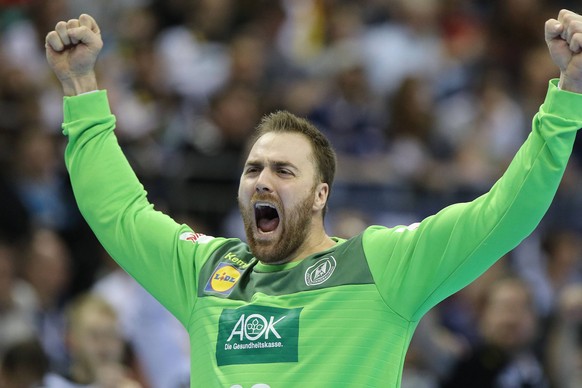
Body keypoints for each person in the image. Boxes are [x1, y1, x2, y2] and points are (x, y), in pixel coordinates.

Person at [44, 10, 582, 387]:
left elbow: (502, 214)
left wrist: (567, 98)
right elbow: (118, 213)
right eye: (253, 168)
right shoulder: (206, 271)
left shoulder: (380, 265)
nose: (262, 180)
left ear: (321, 194)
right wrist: (81, 85)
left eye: (283, 170)